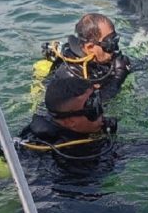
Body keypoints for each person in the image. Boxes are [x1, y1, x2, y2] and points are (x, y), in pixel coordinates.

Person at [20, 13, 132, 143]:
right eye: (110, 44)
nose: (115, 49)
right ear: (90, 47)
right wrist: (118, 79)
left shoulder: (102, 56)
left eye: (115, 40)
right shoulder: (71, 75)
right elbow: (91, 106)